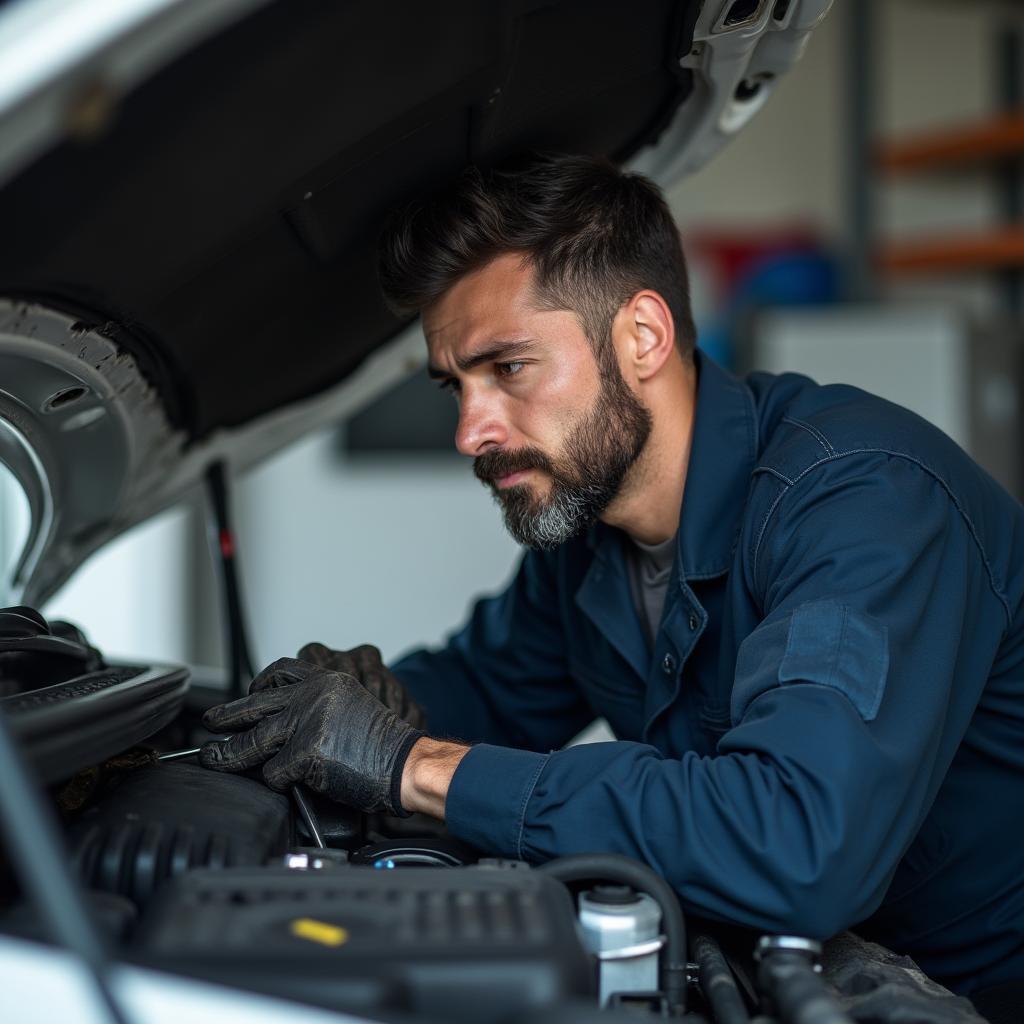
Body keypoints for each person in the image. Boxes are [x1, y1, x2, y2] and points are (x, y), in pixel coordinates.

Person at [200, 153, 1024, 997]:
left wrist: (409, 761)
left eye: (509, 368)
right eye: (456, 387)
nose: (471, 432)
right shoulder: (590, 534)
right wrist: (369, 708)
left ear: (642, 337)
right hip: (787, 976)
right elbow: (489, 691)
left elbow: (801, 842)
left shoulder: (865, 504)